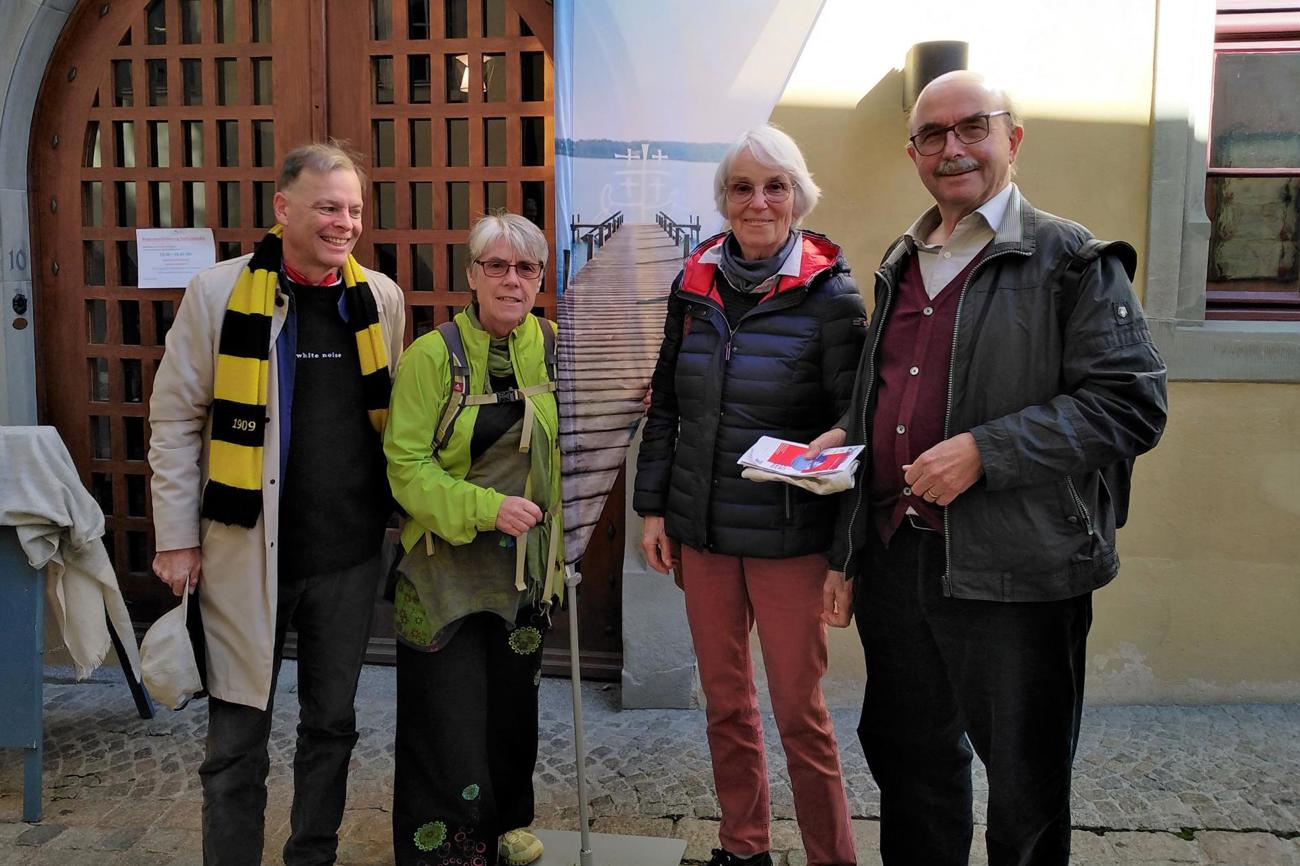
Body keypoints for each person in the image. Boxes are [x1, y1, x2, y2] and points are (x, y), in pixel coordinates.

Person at [809, 71, 1169, 865]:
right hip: (901, 564)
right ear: (913, 154)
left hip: (1021, 572)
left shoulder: (1072, 260)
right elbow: (882, 409)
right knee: (911, 768)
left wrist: (986, 450)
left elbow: (1132, 405)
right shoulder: (901, 263)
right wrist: (847, 550)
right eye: (932, 136)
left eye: (973, 127)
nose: (952, 148)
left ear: (1013, 138)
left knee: (1026, 789)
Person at [148, 141, 405, 865]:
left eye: (354, 208)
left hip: (348, 556)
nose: (345, 222)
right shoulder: (219, 293)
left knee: (332, 727)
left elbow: (393, 426)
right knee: (236, 744)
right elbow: (173, 420)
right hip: (241, 552)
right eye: (328, 206)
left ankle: (311, 855)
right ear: (284, 208)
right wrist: (175, 536)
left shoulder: (380, 298)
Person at [635, 125, 865, 866]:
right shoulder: (693, 283)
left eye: (775, 186)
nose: (759, 201)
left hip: (790, 538)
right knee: (727, 707)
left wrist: (831, 449)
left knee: (800, 714)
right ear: (724, 200)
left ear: (799, 195)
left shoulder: (833, 294)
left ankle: (833, 857)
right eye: (742, 187)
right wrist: (653, 508)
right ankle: (744, 848)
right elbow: (667, 402)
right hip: (702, 533)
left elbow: (859, 413)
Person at [384, 213, 563, 866]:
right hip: (441, 575)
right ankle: (449, 851)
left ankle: (510, 823)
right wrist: (486, 509)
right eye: (497, 265)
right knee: (446, 722)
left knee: (512, 711)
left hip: (522, 574)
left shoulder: (551, 346)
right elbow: (405, 467)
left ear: (541, 279)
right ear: (471, 276)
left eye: (526, 268)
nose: (511, 280)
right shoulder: (431, 358)